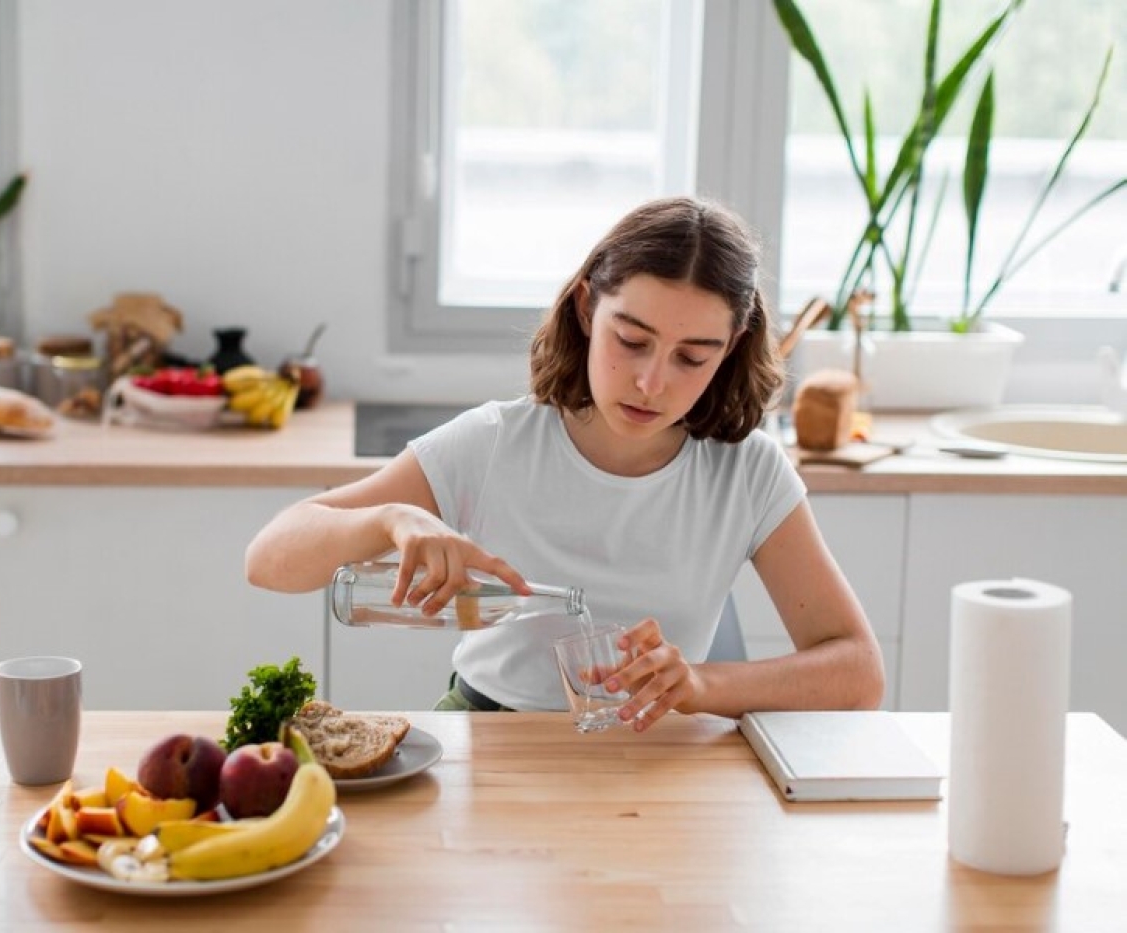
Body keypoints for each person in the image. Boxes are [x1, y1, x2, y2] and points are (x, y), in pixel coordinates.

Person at [246, 197, 885, 728]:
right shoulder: (496, 443)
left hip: (657, 753)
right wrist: (389, 520)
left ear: (732, 348)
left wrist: (700, 683)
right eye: (631, 341)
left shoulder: (747, 473)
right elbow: (269, 559)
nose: (651, 383)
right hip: (490, 734)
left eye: (692, 357)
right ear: (586, 308)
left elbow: (859, 673)